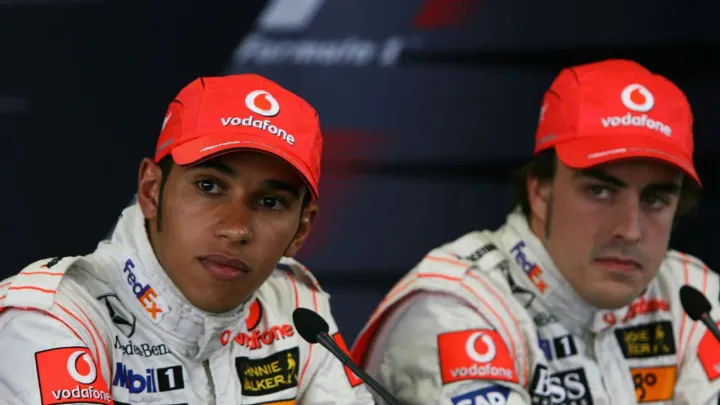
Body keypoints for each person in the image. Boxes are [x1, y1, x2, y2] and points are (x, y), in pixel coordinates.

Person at [351, 59, 720, 404]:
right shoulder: (453, 310)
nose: (630, 230)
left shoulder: (694, 298)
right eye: (600, 191)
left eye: (655, 200)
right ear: (541, 192)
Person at [0, 73, 374, 405]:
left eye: (270, 202)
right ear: (151, 191)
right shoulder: (51, 318)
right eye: (209, 186)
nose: (236, 228)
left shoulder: (296, 310)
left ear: (302, 229)